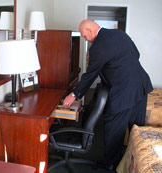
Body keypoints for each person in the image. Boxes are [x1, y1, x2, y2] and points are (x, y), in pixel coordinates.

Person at [63, 19, 153, 170]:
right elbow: (136, 54)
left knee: (113, 128)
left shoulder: (97, 48)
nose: (86, 39)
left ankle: (109, 164)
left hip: (123, 91)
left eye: (85, 36)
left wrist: (74, 95)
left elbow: (90, 75)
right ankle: (132, 160)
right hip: (141, 86)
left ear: (91, 31)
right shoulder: (120, 34)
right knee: (136, 129)